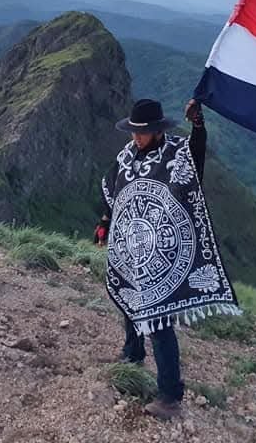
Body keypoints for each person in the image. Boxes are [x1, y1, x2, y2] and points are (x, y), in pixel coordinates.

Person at [100, 97, 209, 420]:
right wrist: (105, 221)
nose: (137, 137)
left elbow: (197, 156)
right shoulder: (128, 154)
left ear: (158, 130)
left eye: (143, 132)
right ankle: (132, 355)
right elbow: (115, 186)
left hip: (162, 252)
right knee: (129, 302)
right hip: (131, 246)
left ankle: (170, 396)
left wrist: (198, 125)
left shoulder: (176, 153)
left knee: (159, 321)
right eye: (135, 131)